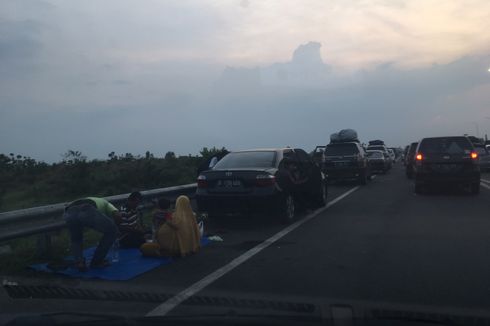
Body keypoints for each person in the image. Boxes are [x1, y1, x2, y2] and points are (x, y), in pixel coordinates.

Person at [64, 197, 124, 271]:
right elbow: (118, 215)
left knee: (76, 238)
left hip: (69, 212)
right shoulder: (107, 204)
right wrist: (117, 228)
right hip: (87, 208)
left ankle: (80, 262)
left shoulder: (95, 200)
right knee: (112, 231)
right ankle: (97, 261)